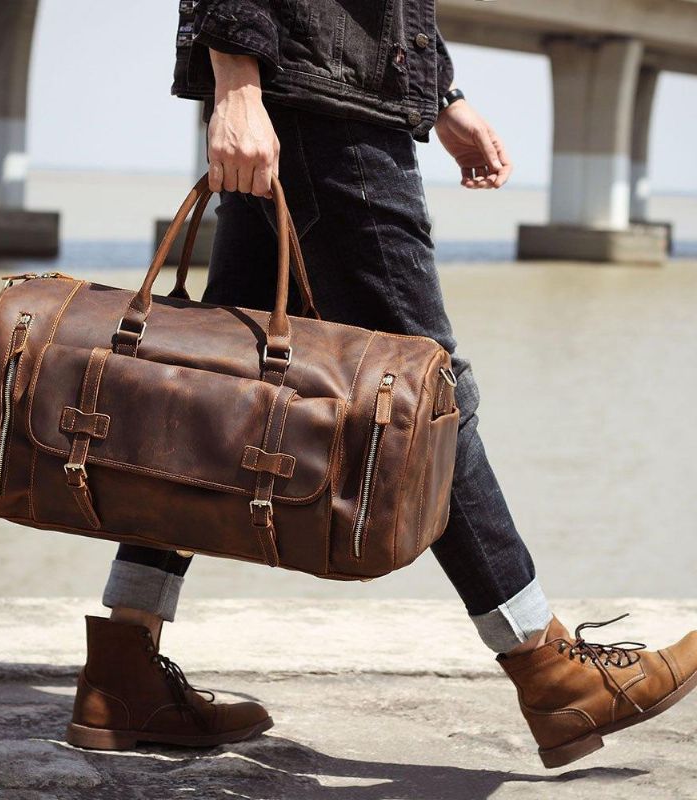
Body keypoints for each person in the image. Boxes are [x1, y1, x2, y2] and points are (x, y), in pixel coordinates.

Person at [65, 1, 697, 767]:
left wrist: (443, 95)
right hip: (325, 108)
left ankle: (125, 664)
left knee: (208, 393)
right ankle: (548, 668)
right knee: (427, 396)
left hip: (326, 90)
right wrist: (234, 84)